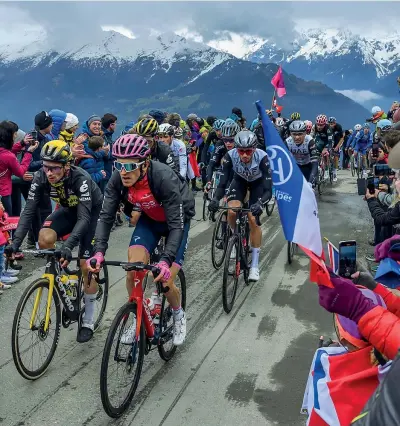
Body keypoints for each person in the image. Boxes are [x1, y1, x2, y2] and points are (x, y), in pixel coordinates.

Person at [87, 133, 195, 346]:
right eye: (119, 165)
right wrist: (98, 252)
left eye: (129, 166)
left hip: (176, 222)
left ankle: (178, 314)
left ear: (144, 164)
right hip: (150, 219)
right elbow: (106, 216)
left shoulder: (164, 177)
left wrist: (165, 260)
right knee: (133, 269)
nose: (123, 172)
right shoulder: (118, 178)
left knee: (165, 280)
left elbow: (175, 226)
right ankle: (138, 317)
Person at [5, 140, 104, 343]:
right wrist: (15, 243)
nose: (49, 173)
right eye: (46, 167)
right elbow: (28, 211)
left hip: (91, 214)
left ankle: (88, 320)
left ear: (67, 166)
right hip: (68, 210)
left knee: (86, 265)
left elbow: (84, 219)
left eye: (55, 168)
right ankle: (61, 280)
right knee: (44, 238)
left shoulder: (81, 179)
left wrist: (68, 246)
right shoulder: (40, 177)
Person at [208, 130, 272, 282]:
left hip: (257, 184)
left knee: (252, 218)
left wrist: (260, 203)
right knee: (231, 211)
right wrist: (215, 199)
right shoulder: (230, 156)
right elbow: (222, 183)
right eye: (241, 151)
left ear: (254, 149)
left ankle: (255, 265)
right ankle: (234, 239)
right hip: (240, 181)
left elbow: (269, 190)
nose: (244, 155)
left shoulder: (263, 158)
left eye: (248, 151)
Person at [0, 121, 38, 215]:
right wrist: (29, 153)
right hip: (3, 194)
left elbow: (6, 151)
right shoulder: (9, 157)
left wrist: (22, 143)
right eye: (15, 135)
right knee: (6, 223)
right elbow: (20, 172)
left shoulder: (5, 153)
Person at [284, 120, 318, 186]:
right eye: (294, 134)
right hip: (295, 166)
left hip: (308, 166)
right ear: (290, 133)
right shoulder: (287, 142)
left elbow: (315, 163)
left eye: (300, 134)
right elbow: (283, 163)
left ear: (305, 133)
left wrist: (310, 183)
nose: (297, 137)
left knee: (310, 185)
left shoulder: (309, 141)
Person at [329, 116, 344, 181]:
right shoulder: (327, 127)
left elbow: (342, 138)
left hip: (337, 142)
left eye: (332, 123)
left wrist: (337, 146)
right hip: (329, 142)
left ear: (335, 123)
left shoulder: (338, 127)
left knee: (336, 158)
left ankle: (335, 172)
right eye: (329, 123)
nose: (330, 125)